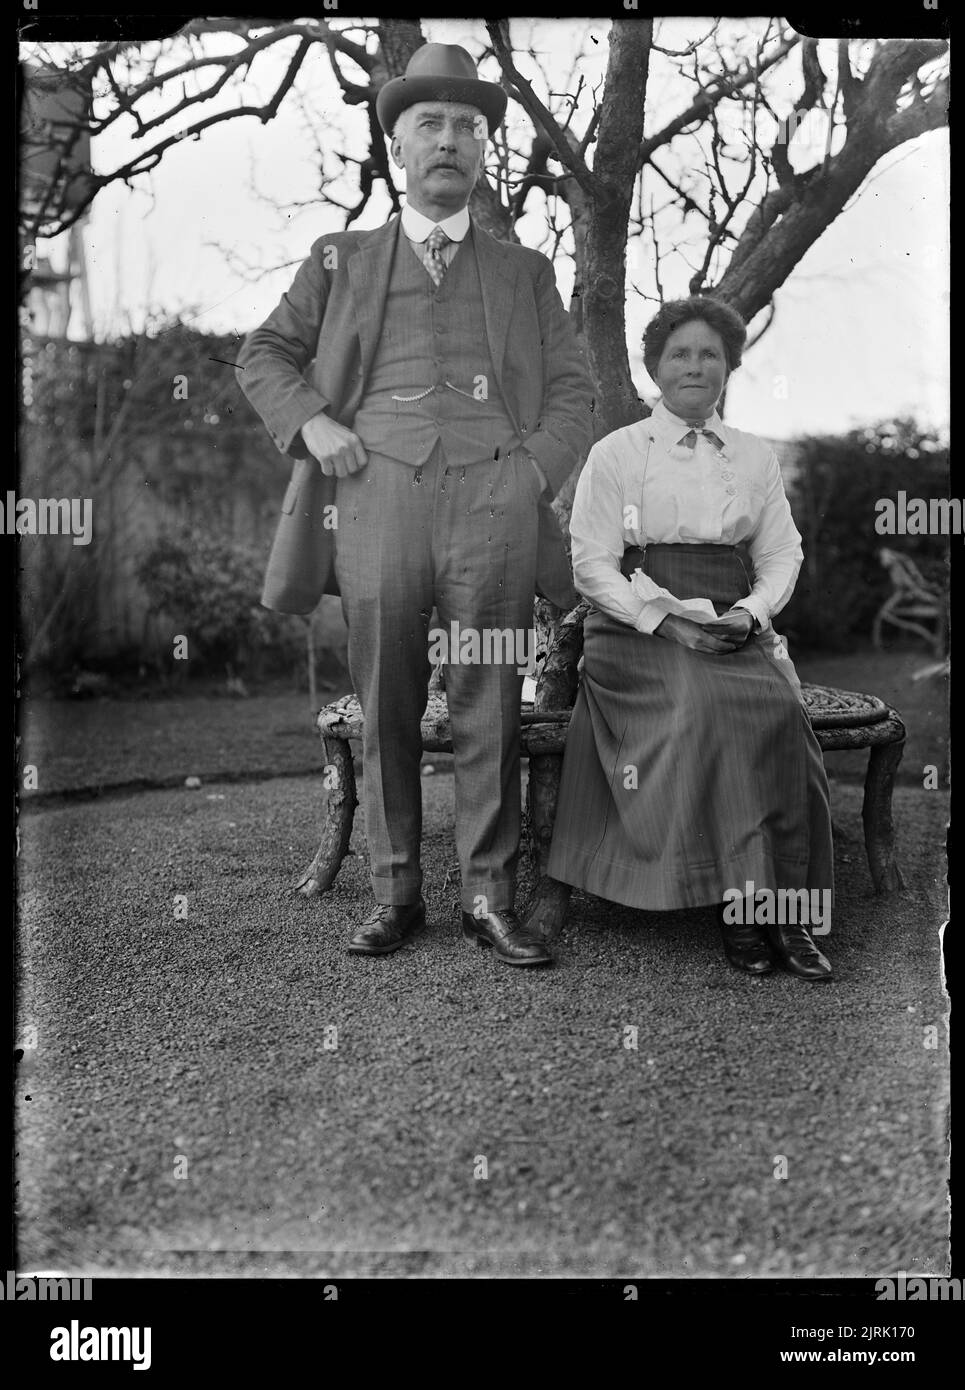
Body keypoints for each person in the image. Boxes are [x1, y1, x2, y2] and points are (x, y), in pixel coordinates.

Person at [236, 44, 594, 967]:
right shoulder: (341, 257)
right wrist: (314, 425)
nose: (450, 140)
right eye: (429, 124)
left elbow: (574, 390)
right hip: (376, 498)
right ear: (397, 146)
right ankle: (395, 897)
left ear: (484, 154)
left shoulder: (527, 272)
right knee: (385, 699)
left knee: (490, 707)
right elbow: (263, 354)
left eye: (468, 127)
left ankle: (487, 900)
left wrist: (529, 475)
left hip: (494, 505)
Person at [546, 295, 834, 981]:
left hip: (727, 620)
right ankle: (740, 906)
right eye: (680, 354)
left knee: (781, 714)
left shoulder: (753, 456)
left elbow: (780, 553)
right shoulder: (616, 452)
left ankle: (786, 911)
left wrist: (753, 614)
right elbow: (590, 565)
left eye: (710, 354)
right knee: (707, 708)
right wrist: (666, 621)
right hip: (635, 627)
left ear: (729, 366)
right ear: (655, 367)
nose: (695, 366)